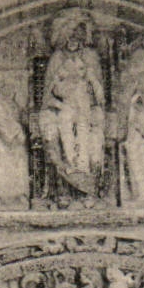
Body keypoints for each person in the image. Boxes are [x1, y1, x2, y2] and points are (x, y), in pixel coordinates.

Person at [39, 11, 105, 201]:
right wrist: (58, 101)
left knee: (87, 133)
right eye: (70, 33)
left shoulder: (90, 57)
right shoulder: (58, 59)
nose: (74, 37)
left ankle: (88, 185)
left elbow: (99, 92)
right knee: (62, 131)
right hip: (63, 108)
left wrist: (89, 86)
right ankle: (64, 188)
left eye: (78, 33)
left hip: (86, 107)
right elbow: (49, 91)